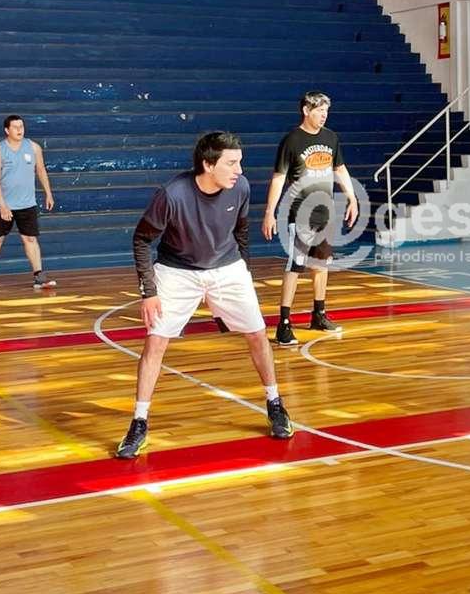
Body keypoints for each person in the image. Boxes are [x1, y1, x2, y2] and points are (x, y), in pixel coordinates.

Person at [116, 130, 294, 460]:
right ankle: (139, 422)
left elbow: (241, 231)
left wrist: (244, 272)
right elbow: (141, 240)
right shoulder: (172, 195)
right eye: (232, 163)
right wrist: (148, 292)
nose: (239, 170)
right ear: (208, 165)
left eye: (239, 162)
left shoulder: (240, 187)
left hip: (227, 267)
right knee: (156, 342)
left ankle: (275, 404)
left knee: (257, 334)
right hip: (176, 271)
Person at [261, 91, 359, 346]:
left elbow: (340, 169)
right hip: (300, 214)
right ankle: (284, 323)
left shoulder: (331, 138)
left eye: (326, 111)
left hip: (325, 213)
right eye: (319, 110)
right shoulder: (292, 140)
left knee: (322, 264)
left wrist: (352, 197)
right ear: (306, 110)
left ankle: (319, 314)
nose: (324, 115)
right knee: (295, 266)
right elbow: (279, 177)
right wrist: (270, 212)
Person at [0, 114, 56, 291]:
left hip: (27, 204)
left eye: (21, 126)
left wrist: (48, 193)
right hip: (1, 205)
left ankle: (39, 276)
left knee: (30, 238)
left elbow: (41, 170)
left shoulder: (34, 147)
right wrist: (2, 205)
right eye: (15, 127)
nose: (19, 130)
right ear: (7, 130)